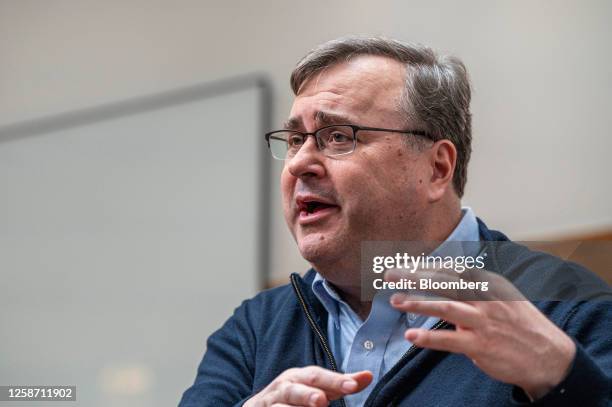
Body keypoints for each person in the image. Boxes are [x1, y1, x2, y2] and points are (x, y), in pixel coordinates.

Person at [179, 37, 611, 406]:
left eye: (338, 137)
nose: (300, 164)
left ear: (437, 168)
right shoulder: (257, 328)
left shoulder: (565, 307)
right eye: (295, 140)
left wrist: (564, 379)